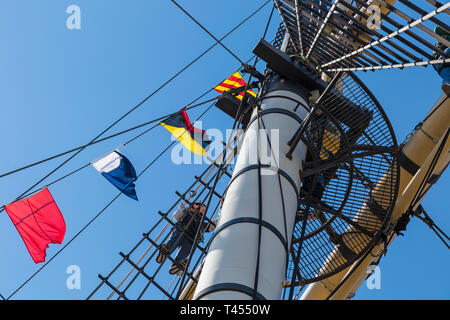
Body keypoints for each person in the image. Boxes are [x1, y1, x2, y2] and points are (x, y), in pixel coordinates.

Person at [156, 201, 219, 276]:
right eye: (202, 207)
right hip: (181, 230)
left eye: (204, 210)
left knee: (185, 251)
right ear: (195, 206)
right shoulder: (186, 213)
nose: (203, 210)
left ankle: (177, 265)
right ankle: (166, 249)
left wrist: (222, 209)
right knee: (176, 238)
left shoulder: (202, 223)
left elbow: (214, 226)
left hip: (191, 239)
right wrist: (186, 209)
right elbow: (176, 216)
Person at [432, 26, 450, 96]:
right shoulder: (444, 37)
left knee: (447, 77)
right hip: (442, 59)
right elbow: (437, 29)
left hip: (441, 68)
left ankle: (447, 84)